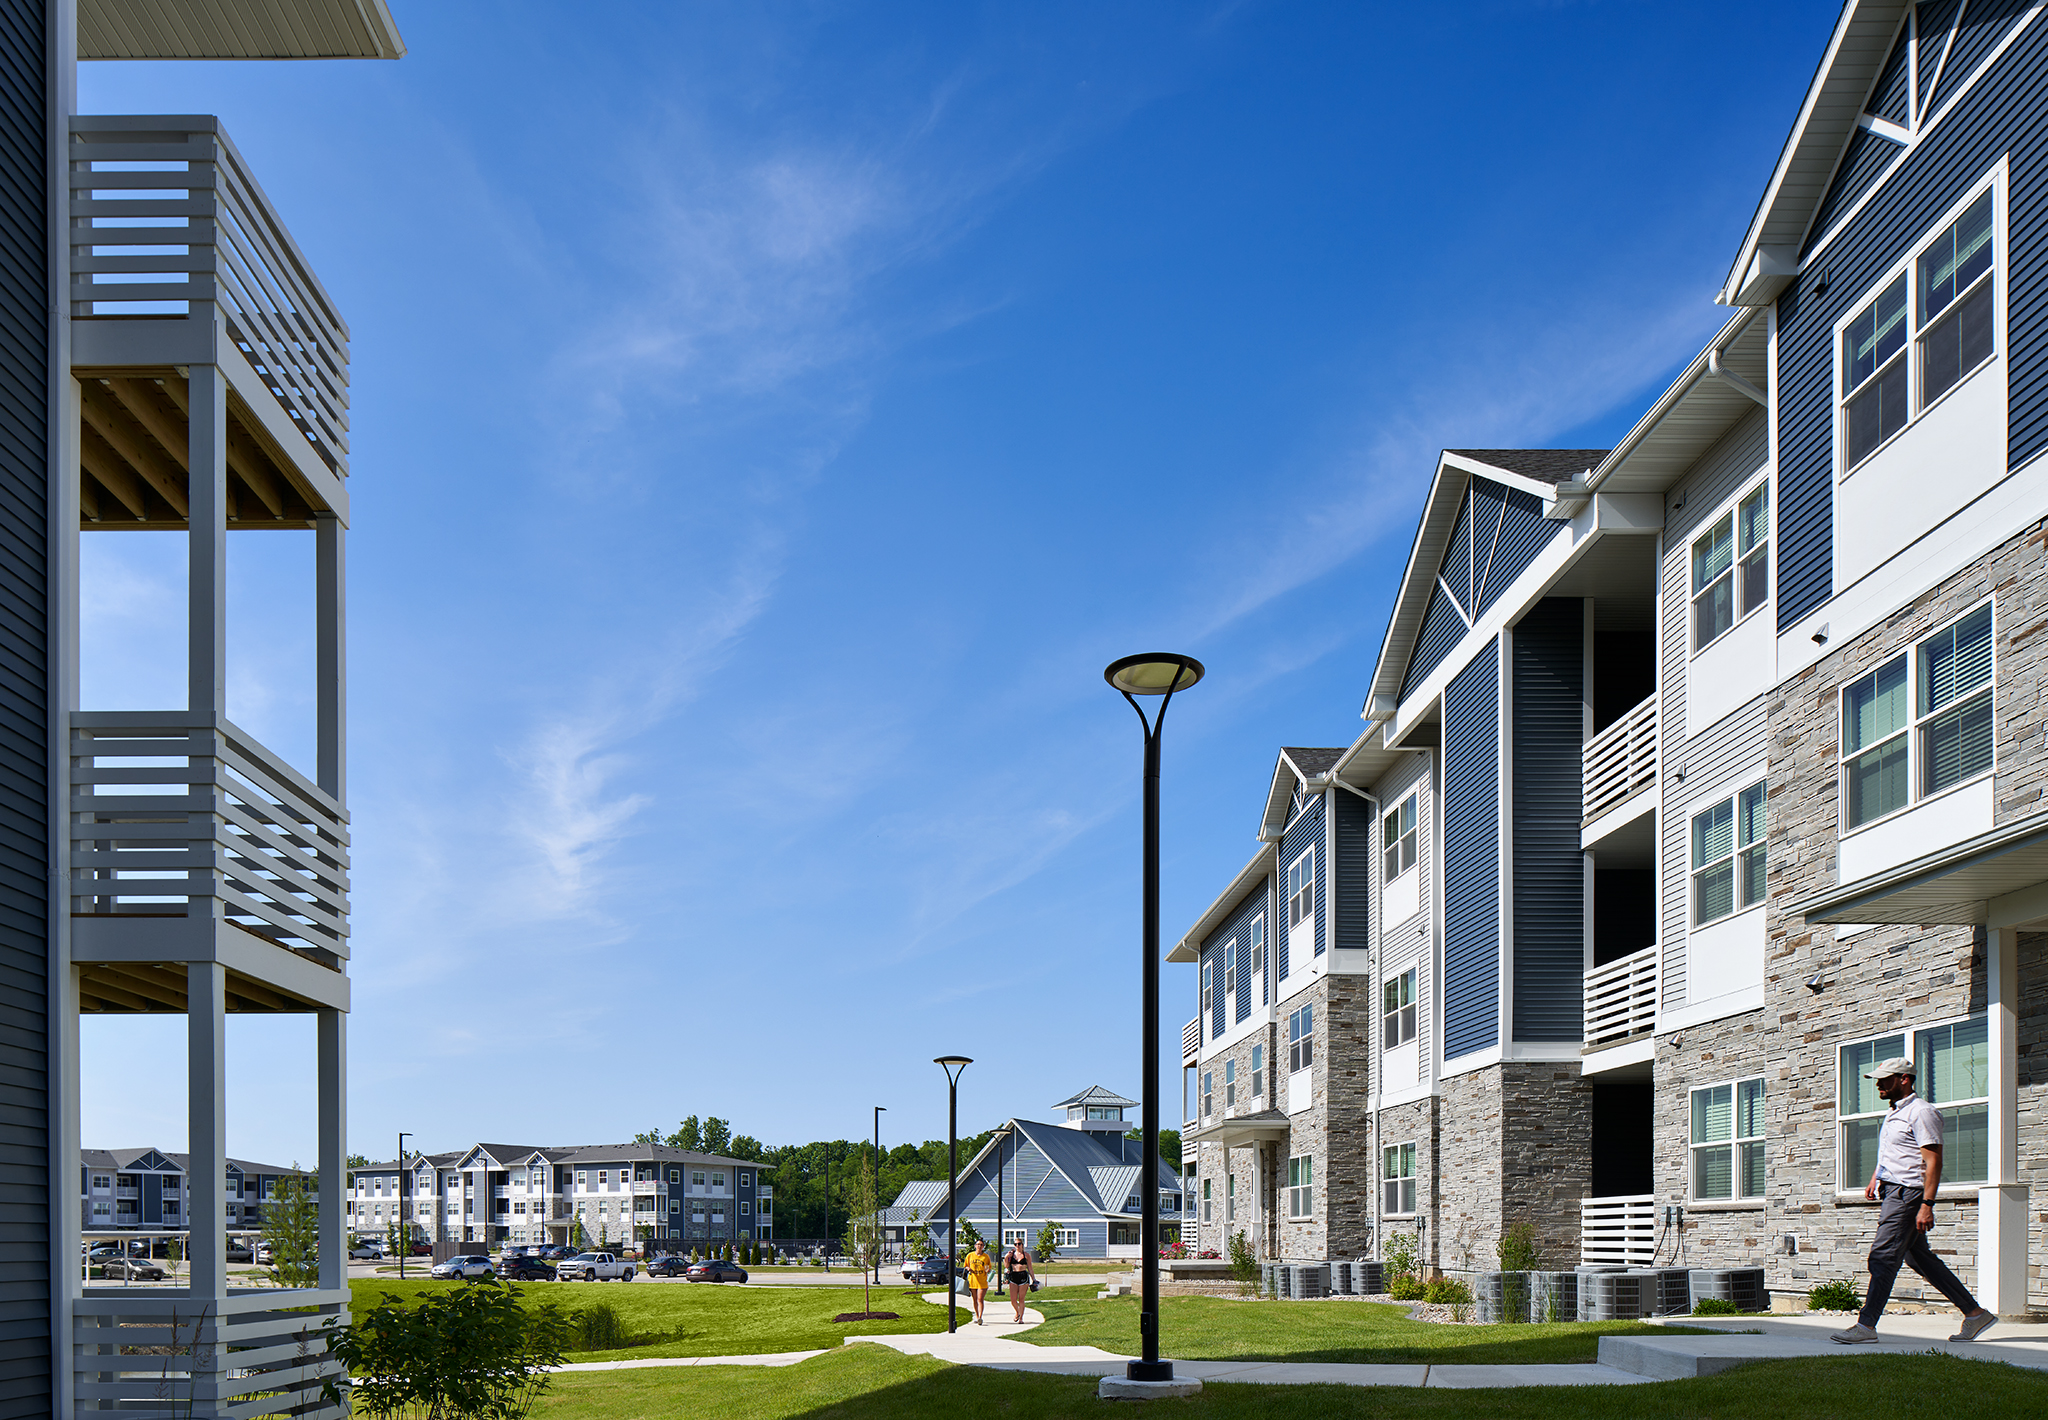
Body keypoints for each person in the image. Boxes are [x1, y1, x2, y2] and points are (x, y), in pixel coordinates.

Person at [1831, 1056, 1997, 1344]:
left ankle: (1866, 1326)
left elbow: (1933, 1162)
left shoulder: (1922, 1112)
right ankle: (1974, 1313)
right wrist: (1876, 1176)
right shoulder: (1896, 1112)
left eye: (1885, 1079)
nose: (1879, 1085)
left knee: (1883, 1257)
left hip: (1908, 1195)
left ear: (1904, 1079)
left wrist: (1927, 1205)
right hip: (1893, 1191)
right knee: (1920, 1258)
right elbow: (1896, 1153)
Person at [1002, 1237, 1035, 1323]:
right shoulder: (1011, 1254)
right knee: (1013, 1300)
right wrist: (1006, 1257)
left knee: (1021, 1299)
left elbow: (1030, 1268)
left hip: (1023, 1276)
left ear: (1022, 1245)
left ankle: (1021, 1318)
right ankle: (1017, 1312)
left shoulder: (1026, 1255)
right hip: (1013, 1276)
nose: (1017, 1246)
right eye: (1015, 1244)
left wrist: (1033, 1279)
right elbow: (1006, 1266)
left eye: (1019, 1244)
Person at [962, 1239, 993, 1325]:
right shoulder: (970, 1255)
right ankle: (976, 1315)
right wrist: (968, 1268)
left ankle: (980, 1317)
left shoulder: (985, 1257)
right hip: (972, 1280)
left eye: (981, 1245)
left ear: (983, 1247)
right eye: (978, 1244)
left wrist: (987, 1270)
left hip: (982, 1280)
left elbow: (988, 1267)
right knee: (975, 1299)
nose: (979, 1246)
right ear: (975, 1246)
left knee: (980, 1299)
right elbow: (965, 1266)